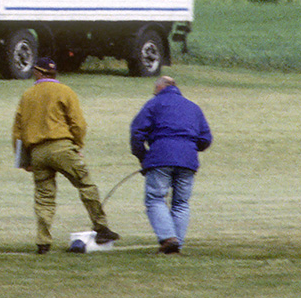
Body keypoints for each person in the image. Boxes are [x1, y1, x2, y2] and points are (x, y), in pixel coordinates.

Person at [11, 57, 120, 253]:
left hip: (37, 152)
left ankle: (43, 241)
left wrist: (24, 160)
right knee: (85, 185)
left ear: (38, 72)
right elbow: (79, 124)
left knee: (44, 197)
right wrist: (77, 145)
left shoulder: (27, 96)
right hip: (62, 147)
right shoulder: (65, 91)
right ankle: (101, 227)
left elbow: (17, 132)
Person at [129, 75, 212, 254]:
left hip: (160, 157)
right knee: (181, 203)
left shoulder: (154, 104)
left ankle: (168, 238)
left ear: (159, 88)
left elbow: (137, 133)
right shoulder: (193, 107)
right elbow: (206, 139)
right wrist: (189, 146)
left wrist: (143, 157)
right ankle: (176, 245)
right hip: (188, 160)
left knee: (155, 198)